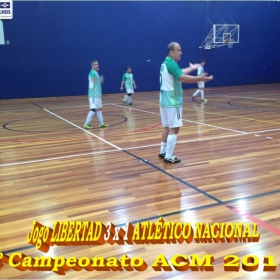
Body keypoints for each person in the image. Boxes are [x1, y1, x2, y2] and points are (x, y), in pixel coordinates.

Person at [159, 42, 213, 163]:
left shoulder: (166, 63)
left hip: (164, 101)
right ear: (171, 52)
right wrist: (199, 78)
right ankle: (169, 156)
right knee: (175, 128)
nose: (181, 52)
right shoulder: (171, 64)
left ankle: (163, 151)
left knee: (167, 127)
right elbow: (182, 77)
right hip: (173, 102)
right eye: (178, 50)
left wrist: (191, 68)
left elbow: (179, 72)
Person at [84, 60, 109, 129]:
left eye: (97, 64)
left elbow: (96, 82)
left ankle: (101, 123)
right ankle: (86, 123)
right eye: (95, 64)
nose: (97, 65)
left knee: (99, 108)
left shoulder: (96, 72)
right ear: (92, 66)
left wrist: (100, 80)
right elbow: (93, 80)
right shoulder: (92, 72)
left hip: (97, 94)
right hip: (93, 95)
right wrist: (95, 80)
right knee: (93, 109)